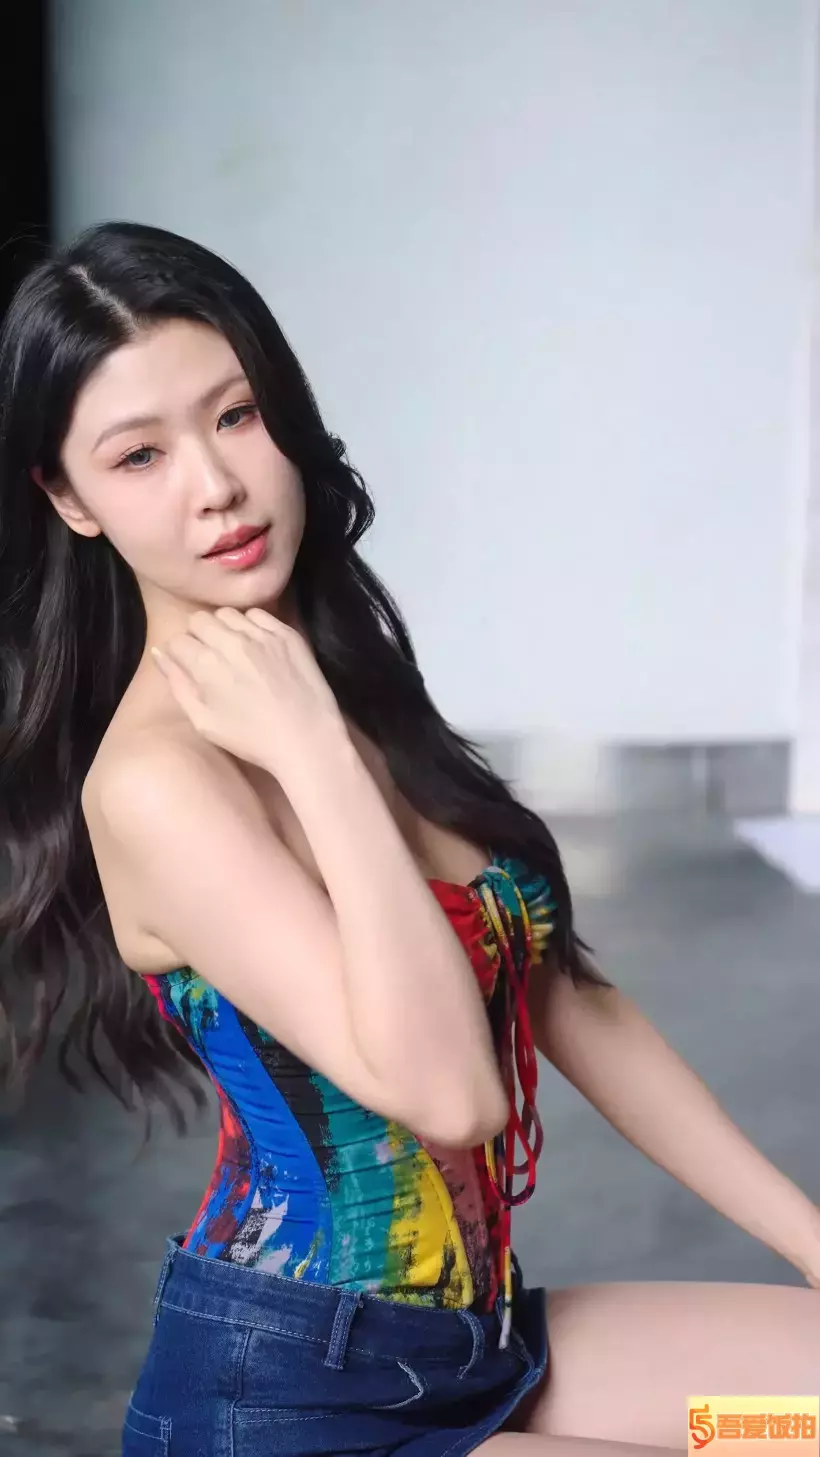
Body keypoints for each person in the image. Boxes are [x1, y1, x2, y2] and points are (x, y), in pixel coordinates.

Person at [0, 221, 817, 1457]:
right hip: (294, 1402)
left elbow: (567, 997)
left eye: (235, 416)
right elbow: (452, 1093)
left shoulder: (348, 684)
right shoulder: (161, 783)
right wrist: (315, 755)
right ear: (71, 499)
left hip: (478, 1352)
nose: (215, 485)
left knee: (795, 1420)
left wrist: (811, 1240)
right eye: (140, 455)